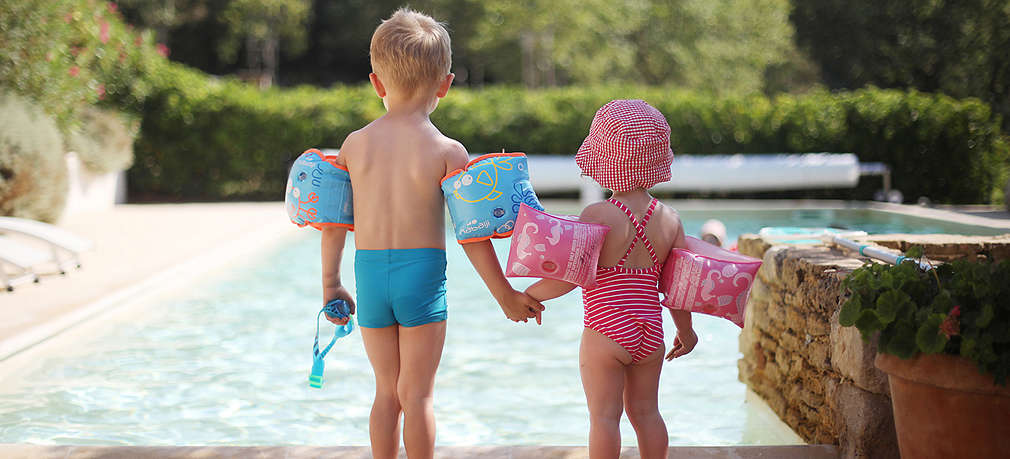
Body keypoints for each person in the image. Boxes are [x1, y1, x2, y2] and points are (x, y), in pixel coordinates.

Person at [319, 9, 544, 459]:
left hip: (369, 274)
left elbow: (333, 224)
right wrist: (504, 295)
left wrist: (330, 284)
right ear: (445, 84)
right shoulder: (447, 150)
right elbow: (473, 235)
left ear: (376, 83)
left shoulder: (353, 145)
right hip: (420, 277)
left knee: (386, 392)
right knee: (417, 394)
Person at [524, 99, 698, 459]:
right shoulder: (669, 219)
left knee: (604, 418)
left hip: (606, 329)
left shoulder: (598, 213)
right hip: (651, 331)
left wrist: (529, 294)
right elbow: (677, 286)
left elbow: (570, 277)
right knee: (647, 413)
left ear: (605, 160)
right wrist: (686, 331)